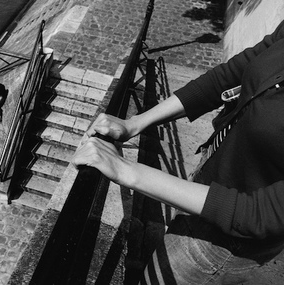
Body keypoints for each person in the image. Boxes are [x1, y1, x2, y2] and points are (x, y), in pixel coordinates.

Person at [72, 19, 284, 284]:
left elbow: (261, 214)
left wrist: (123, 169)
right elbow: (233, 73)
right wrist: (134, 123)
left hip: (225, 241)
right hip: (210, 177)